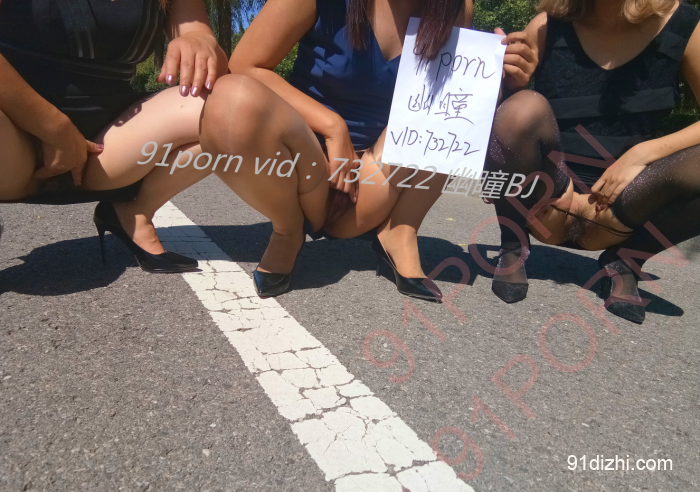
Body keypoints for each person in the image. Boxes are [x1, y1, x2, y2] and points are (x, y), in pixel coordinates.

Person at [199, 0, 537, 298]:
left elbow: (454, 95)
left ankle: (400, 230)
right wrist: (332, 127)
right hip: (303, 166)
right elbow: (245, 65)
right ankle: (288, 229)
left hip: (375, 182)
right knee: (230, 99)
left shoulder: (455, 6)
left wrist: (502, 77)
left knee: (460, 100)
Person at [483, 0, 700, 323]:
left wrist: (643, 154)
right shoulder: (546, 24)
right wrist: (511, 83)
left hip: (625, 207)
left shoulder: (685, 24)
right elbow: (498, 121)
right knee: (521, 107)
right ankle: (512, 245)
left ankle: (627, 260)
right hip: (547, 202)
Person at [0, 0, 228, 273]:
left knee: (235, 107)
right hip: (14, 139)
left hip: (108, 146)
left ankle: (135, 212)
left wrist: (201, 40)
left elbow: (198, 34)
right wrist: (55, 129)